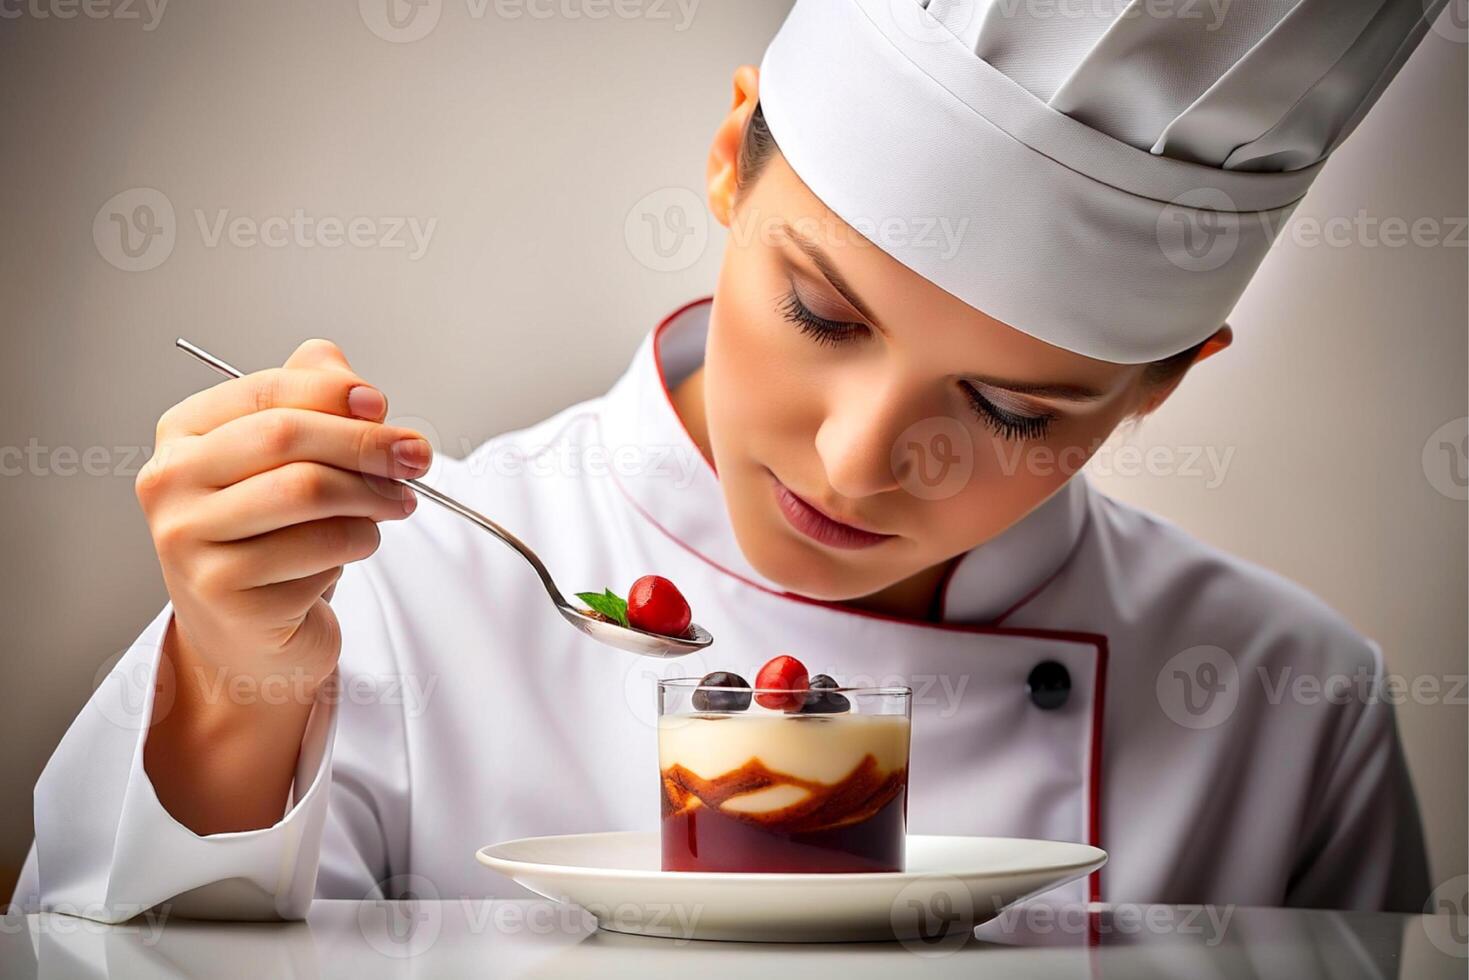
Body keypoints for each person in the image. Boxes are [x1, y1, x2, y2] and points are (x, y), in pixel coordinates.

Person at [15, 0, 1445, 920]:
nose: (857, 457)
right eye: (819, 311)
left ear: (1160, 389)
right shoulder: (394, 591)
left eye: (1012, 410)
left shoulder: (1288, 705)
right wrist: (227, 673)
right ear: (724, 160)